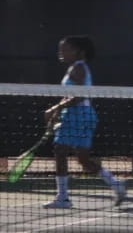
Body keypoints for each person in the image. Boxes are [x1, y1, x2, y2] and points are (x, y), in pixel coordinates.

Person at [42, 35, 127, 209]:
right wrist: (59, 110)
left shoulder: (78, 68)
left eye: (66, 49)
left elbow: (78, 95)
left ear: (79, 51)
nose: (62, 52)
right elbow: (72, 95)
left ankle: (63, 197)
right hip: (80, 114)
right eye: (61, 48)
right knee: (83, 160)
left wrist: (55, 109)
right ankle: (116, 184)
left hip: (78, 114)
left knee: (60, 151)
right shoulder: (76, 68)